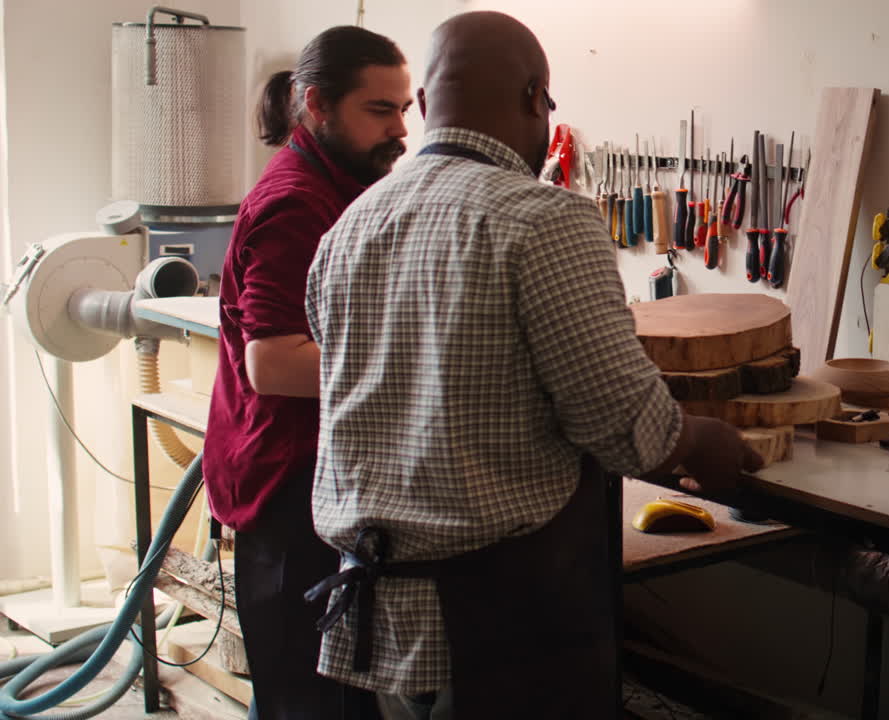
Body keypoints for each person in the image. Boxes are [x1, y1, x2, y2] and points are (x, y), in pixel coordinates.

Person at [304, 10, 763, 720]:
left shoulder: (349, 226)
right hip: (497, 621)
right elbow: (624, 429)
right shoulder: (545, 219)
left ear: (424, 107)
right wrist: (708, 443)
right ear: (534, 102)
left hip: (383, 617)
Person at [201, 25, 413, 720]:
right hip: (286, 487)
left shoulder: (337, 183)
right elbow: (273, 362)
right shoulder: (297, 201)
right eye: (379, 111)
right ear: (317, 105)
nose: (400, 130)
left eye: (405, 109)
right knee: (308, 704)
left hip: (310, 478)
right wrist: (413, 363)